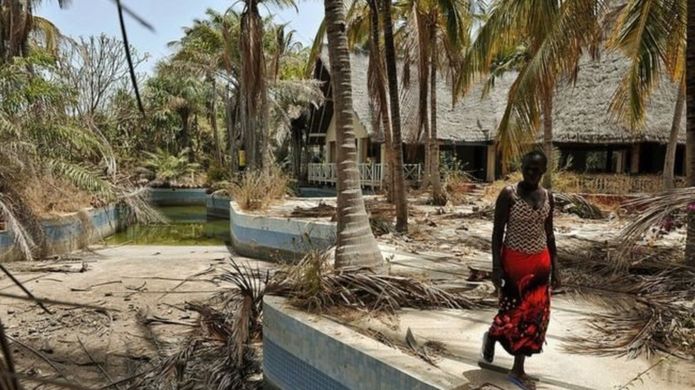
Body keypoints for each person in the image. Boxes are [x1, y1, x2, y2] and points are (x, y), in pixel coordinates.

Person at [481, 150, 560, 389]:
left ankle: (518, 369)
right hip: (514, 265)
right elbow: (497, 234)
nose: (532, 173)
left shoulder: (548, 197)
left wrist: (556, 268)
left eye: (537, 169)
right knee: (511, 314)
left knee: (534, 318)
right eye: (528, 168)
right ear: (521, 167)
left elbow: (549, 234)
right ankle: (493, 335)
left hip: (540, 265)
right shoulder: (508, 195)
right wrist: (496, 267)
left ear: (544, 171)